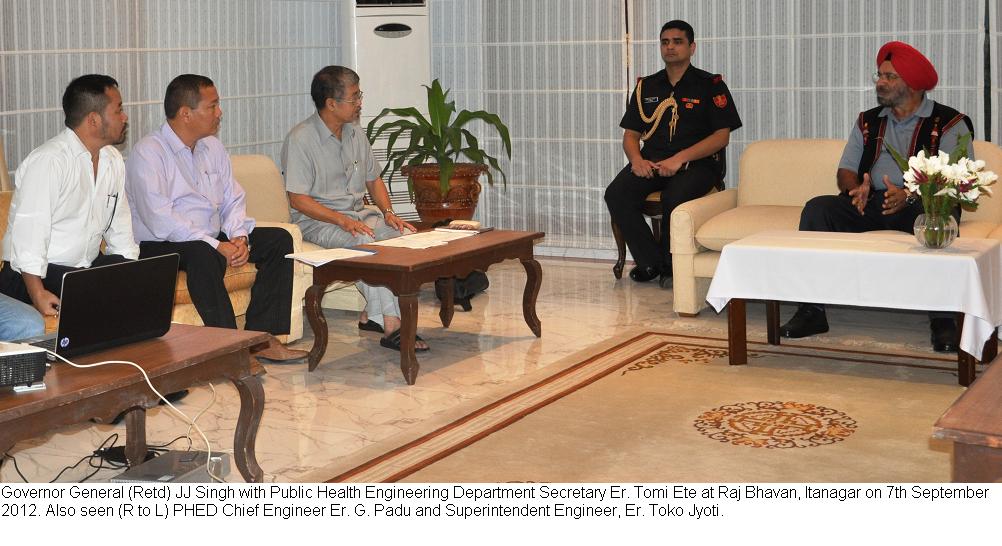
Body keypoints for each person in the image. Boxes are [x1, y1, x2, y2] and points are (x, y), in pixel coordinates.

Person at [779, 41, 974, 353]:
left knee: (936, 217)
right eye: (879, 75)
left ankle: (944, 318)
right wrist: (855, 188)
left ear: (912, 83)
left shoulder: (949, 123)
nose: (880, 82)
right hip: (871, 202)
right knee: (818, 209)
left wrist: (910, 194)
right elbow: (845, 169)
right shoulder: (868, 120)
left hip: (924, 205)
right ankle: (811, 311)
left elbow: (957, 179)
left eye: (890, 77)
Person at [125, 74, 306, 362]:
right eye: (213, 106)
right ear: (186, 113)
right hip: (160, 244)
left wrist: (238, 236)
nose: (219, 113)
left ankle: (261, 340)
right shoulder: (148, 153)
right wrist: (215, 244)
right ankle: (229, 350)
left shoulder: (212, 147)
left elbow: (233, 198)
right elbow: (161, 220)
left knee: (278, 241)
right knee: (202, 254)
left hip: (208, 237)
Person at [281, 65, 429, 352]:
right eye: (354, 97)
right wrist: (340, 220)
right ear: (331, 103)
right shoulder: (301, 139)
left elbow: (374, 180)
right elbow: (298, 200)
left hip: (359, 214)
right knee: (365, 243)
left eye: (359, 95)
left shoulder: (354, 133)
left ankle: (370, 316)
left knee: (402, 238)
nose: (360, 103)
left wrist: (388, 213)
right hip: (318, 221)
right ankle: (392, 325)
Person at [605, 19, 742, 287]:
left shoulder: (710, 85)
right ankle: (650, 261)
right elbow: (631, 134)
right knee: (616, 193)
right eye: (665, 42)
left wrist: (680, 159)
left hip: (698, 164)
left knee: (674, 196)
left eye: (677, 42)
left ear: (692, 47)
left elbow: (721, 137)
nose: (670, 47)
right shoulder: (647, 86)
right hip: (654, 161)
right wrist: (636, 160)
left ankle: (671, 265)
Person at [0, 74, 138, 316]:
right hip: (29, 275)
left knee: (141, 280)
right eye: (118, 110)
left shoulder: (112, 160)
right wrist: (38, 293)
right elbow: (30, 235)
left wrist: (131, 272)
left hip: (80, 268)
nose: (124, 117)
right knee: (94, 288)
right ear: (94, 120)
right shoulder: (49, 162)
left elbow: (120, 229)